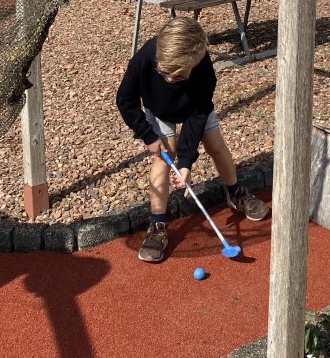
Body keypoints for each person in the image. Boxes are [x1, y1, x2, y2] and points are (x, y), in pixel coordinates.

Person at [116, 17, 270, 263]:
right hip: (158, 108)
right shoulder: (146, 57)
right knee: (165, 155)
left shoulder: (204, 72)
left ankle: (236, 192)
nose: (168, 80)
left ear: (194, 63)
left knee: (215, 146)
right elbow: (125, 99)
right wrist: (147, 135)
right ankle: (157, 226)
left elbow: (197, 117)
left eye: (177, 76)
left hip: (194, 107)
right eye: (163, 72)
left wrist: (187, 162)